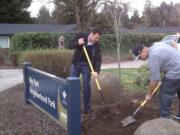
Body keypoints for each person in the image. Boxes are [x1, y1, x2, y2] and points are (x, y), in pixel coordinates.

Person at [132, 40, 180, 119]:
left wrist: (149, 95)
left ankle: (165, 117)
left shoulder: (153, 57)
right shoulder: (157, 44)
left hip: (176, 71)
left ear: (142, 52)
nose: (141, 59)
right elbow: (172, 42)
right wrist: (176, 53)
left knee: (165, 93)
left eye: (139, 57)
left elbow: (154, 80)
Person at [69, 29, 102, 114]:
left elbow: (98, 59)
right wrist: (77, 43)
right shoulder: (81, 36)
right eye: (96, 38)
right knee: (72, 85)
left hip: (87, 66)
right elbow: (70, 45)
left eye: (98, 38)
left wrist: (96, 71)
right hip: (76, 64)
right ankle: (71, 106)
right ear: (91, 34)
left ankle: (87, 108)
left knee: (86, 86)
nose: (97, 40)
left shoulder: (96, 45)